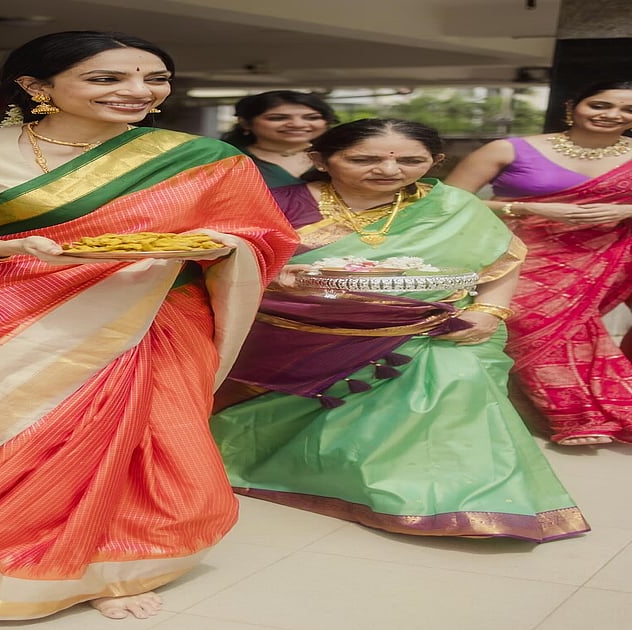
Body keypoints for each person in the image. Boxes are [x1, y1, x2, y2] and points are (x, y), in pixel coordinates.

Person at [0, 31, 299, 621]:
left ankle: (114, 561)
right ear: (36, 86)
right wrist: (0, 251)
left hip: (158, 317)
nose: (138, 92)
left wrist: (223, 244)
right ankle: (22, 552)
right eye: (106, 78)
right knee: (33, 442)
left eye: (154, 78)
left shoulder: (203, 159)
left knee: (144, 443)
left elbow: (264, 236)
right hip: (14, 310)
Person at [210, 119, 588, 542]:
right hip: (294, 326)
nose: (390, 171)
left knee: (454, 380)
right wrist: (276, 276)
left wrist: (490, 310)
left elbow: (502, 262)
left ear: (437, 162)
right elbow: (224, 261)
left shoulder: (451, 206)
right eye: (364, 159)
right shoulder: (275, 202)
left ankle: (456, 498)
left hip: (432, 325)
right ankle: (310, 472)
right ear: (320, 159)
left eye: (412, 160)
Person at [445, 81, 632, 446]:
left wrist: (625, 209)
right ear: (572, 106)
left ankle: (576, 410)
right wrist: (527, 206)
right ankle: (572, 411)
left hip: (605, 256)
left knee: (574, 328)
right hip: (521, 253)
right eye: (600, 105)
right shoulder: (510, 148)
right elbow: (449, 201)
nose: (613, 115)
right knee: (529, 320)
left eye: (627, 111)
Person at [221, 90, 338, 187]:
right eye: (278, 118)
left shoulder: (339, 155)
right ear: (246, 123)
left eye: (312, 118)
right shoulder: (226, 161)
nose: (298, 124)